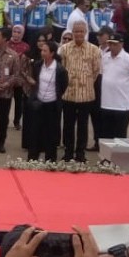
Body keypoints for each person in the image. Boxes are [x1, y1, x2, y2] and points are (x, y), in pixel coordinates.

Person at [58, 21, 101, 162]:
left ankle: (80, 153)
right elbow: (61, 69)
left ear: (86, 32)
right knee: (68, 125)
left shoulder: (94, 49)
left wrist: (85, 81)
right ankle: (68, 152)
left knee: (83, 126)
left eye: (81, 31)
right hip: (68, 93)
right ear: (72, 32)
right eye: (76, 31)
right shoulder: (64, 49)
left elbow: (96, 71)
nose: (78, 34)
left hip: (86, 94)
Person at [24, 41, 68, 161]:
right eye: (42, 50)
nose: (42, 53)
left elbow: (63, 86)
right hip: (38, 104)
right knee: (35, 132)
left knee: (51, 134)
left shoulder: (60, 70)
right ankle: (32, 159)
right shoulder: (38, 65)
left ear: (52, 53)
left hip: (52, 106)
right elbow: (35, 81)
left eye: (45, 51)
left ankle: (50, 160)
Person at [101, 33, 129, 139]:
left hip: (121, 105)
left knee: (119, 135)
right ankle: (106, 156)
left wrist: (127, 89)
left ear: (121, 44)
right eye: (110, 44)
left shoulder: (128, 59)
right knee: (105, 135)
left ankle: (118, 156)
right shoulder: (104, 58)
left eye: (115, 44)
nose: (112, 47)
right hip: (106, 103)